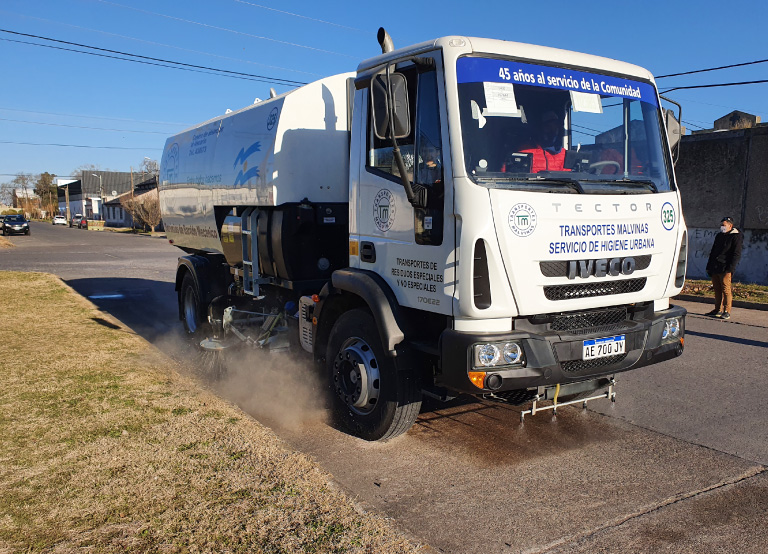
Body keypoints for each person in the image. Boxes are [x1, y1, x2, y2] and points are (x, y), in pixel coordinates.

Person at [705, 216, 743, 319]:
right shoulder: (719, 236)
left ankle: (727, 311)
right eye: (721, 225)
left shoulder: (736, 236)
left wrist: (730, 268)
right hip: (715, 266)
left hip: (725, 267)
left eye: (724, 225)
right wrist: (709, 266)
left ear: (730, 226)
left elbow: (736, 254)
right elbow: (713, 251)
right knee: (717, 289)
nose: (722, 227)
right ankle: (717, 309)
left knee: (726, 289)